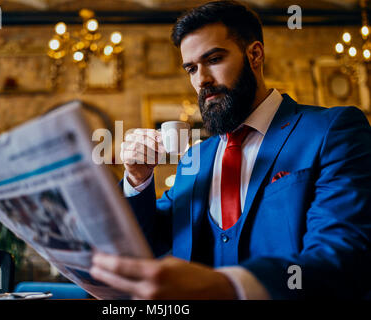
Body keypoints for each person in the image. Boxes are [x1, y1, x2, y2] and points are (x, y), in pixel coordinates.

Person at [89, 0, 371, 299]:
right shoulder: (195, 158)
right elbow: (145, 245)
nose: (202, 80)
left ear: (255, 54)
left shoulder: (333, 129)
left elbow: (345, 255)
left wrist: (231, 287)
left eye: (214, 59)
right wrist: (137, 180)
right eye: (191, 68)